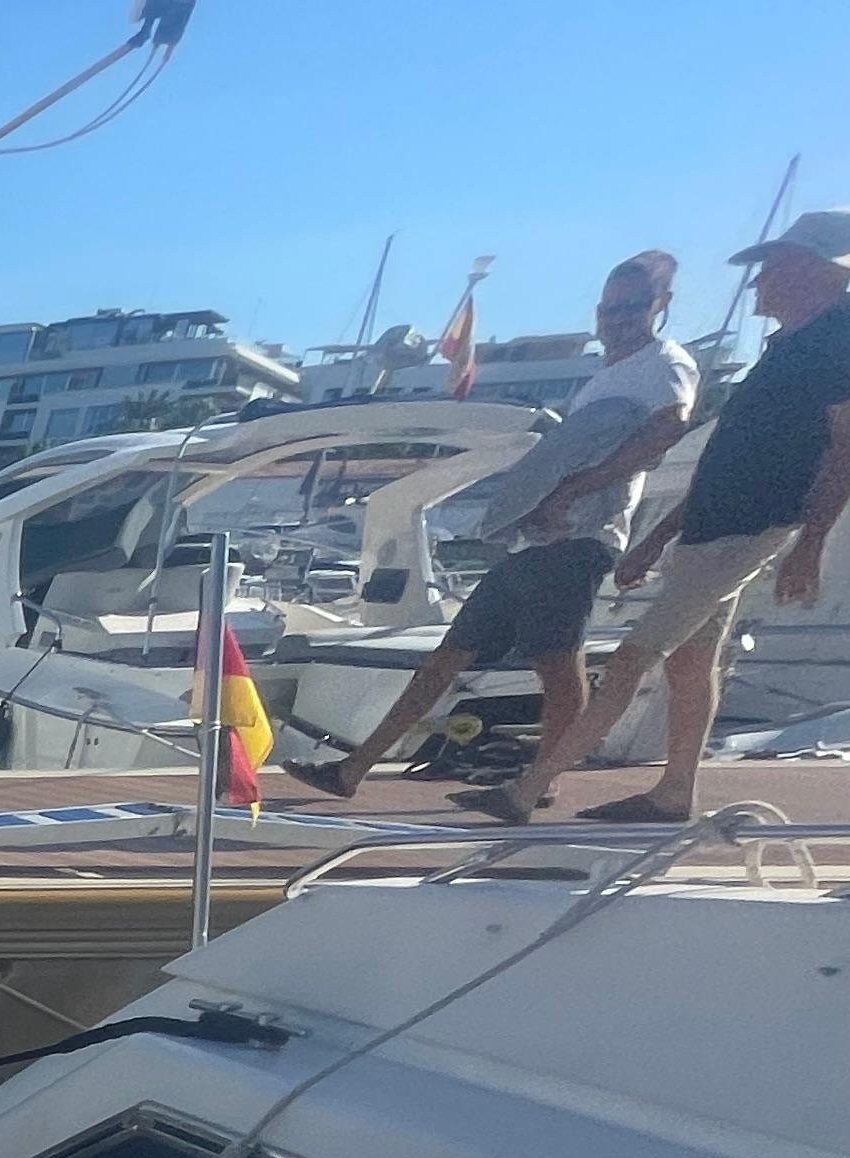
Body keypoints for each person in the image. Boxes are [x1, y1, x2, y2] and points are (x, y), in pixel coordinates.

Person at [464, 210, 850, 823]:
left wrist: (811, 543)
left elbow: (843, 447)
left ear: (813, 270)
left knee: (630, 658)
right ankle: (675, 793)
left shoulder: (837, 339)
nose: (757, 284)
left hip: (750, 528)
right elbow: (728, 455)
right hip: (713, 527)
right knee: (690, 662)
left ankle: (527, 788)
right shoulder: (786, 349)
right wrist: (658, 539)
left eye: (770, 268)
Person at [285, 255, 696, 802]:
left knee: (556, 664)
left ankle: (538, 787)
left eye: (633, 306)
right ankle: (352, 769)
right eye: (609, 307)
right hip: (536, 540)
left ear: (661, 305)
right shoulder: (603, 378)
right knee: (446, 658)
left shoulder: (665, 363)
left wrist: (573, 491)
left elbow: (667, 430)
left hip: (582, 540)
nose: (617, 318)